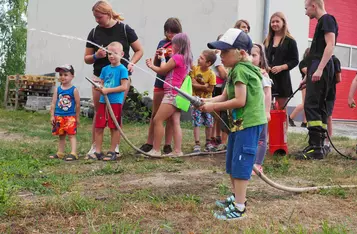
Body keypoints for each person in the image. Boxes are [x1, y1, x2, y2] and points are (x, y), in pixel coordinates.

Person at [204, 28, 267, 220]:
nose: (220, 56)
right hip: (238, 124)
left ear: (240, 53)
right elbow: (225, 95)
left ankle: (240, 208)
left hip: (248, 124)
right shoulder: (234, 70)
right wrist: (207, 102)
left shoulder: (240, 70)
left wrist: (212, 108)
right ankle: (236, 197)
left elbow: (240, 100)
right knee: (233, 163)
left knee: (241, 166)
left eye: (224, 52)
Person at [84, 0, 143, 157]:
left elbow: (139, 50)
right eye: (95, 17)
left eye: (99, 17)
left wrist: (131, 63)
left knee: (115, 112)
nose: (97, 20)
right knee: (99, 112)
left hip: (119, 79)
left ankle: (114, 148)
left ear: (108, 14)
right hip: (100, 78)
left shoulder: (125, 29)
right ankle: (95, 147)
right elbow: (87, 58)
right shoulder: (94, 32)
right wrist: (97, 55)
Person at [297, 0, 338, 160]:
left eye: (306, 8)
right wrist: (307, 77)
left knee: (311, 105)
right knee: (318, 105)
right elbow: (317, 52)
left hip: (321, 66)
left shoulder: (327, 20)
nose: (306, 12)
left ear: (314, 6)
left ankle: (316, 148)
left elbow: (330, 45)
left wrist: (320, 68)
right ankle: (318, 146)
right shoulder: (322, 22)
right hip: (316, 66)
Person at [138, 18, 182, 156]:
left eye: (173, 32)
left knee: (170, 116)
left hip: (173, 84)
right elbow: (157, 65)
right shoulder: (162, 43)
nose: (170, 35)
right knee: (156, 114)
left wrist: (170, 55)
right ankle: (150, 142)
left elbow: (183, 63)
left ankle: (167, 145)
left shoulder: (181, 45)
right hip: (160, 82)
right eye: (168, 32)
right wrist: (158, 56)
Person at [145, 33, 193, 157]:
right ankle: (177, 151)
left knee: (158, 119)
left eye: (174, 44)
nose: (172, 46)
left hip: (171, 94)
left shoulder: (176, 58)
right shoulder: (185, 58)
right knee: (175, 121)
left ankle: (156, 150)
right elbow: (167, 66)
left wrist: (151, 65)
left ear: (178, 45)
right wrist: (162, 57)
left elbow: (162, 70)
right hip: (179, 94)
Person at [88, 42, 129, 161]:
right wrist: (98, 86)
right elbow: (101, 84)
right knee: (99, 126)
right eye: (110, 53)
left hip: (115, 102)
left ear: (121, 54)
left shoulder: (122, 69)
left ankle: (112, 151)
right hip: (103, 102)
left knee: (114, 127)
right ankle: (98, 151)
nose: (112, 56)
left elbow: (124, 87)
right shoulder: (105, 69)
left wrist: (108, 90)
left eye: (115, 53)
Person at [264, 12, 299, 114]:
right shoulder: (267, 40)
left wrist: (281, 67)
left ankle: (283, 129)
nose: (274, 24)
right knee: (266, 108)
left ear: (283, 23)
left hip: (283, 79)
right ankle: (269, 130)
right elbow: (263, 57)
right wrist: (266, 67)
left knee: (282, 109)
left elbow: (295, 60)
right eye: (272, 22)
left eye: (277, 21)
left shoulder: (290, 41)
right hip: (268, 78)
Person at [49, 65, 80, 161]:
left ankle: (73, 153)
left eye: (66, 75)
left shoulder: (74, 90)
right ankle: (60, 153)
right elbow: (53, 103)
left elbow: (78, 105)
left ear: (72, 76)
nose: (63, 77)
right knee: (61, 135)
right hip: (59, 116)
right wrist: (52, 115)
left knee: (71, 135)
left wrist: (77, 117)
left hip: (70, 116)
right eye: (61, 74)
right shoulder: (58, 89)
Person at [190, 50, 217, 153]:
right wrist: (204, 85)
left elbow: (210, 89)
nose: (198, 59)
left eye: (201, 58)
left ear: (208, 63)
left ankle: (208, 142)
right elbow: (192, 83)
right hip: (195, 101)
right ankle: (197, 144)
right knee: (196, 122)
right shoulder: (195, 69)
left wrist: (202, 86)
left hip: (207, 102)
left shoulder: (211, 74)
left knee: (209, 122)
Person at [251, 43, 272, 174]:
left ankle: (258, 164)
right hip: (251, 112)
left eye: (254, 55)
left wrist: (266, 111)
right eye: (249, 54)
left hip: (261, 111)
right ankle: (251, 162)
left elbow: (267, 92)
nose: (251, 58)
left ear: (261, 58)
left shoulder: (262, 74)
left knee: (261, 138)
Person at [211, 34, 228, 150]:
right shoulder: (218, 56)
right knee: (218, 115)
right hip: (218, 86)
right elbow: (223, 74)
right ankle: (216, 137)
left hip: (222, 86)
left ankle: (217, 137)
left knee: (219, 115)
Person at [323, 55, 342, 154]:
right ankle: (319, 140)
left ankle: (327, 142)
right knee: (320, 117)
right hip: (319, 93)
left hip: (329, 94)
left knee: (328, 117)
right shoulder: (318, 57)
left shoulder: (335, 60)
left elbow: (339, 79)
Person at [289, 48, 310, 128]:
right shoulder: (303, 63)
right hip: (305, 85)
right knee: (304, 104)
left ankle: (304, 122)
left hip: (311, 85)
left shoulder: (312, 63)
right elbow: (308, 72)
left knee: (307, 105)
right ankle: (291, 117)